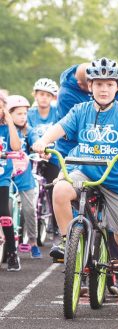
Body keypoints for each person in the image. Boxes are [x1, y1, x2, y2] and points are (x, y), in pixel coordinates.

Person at [32, 57, 118, 312]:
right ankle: (66, 240)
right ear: (90, 86)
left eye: (109, 84)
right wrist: (43, 142)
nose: (103, 89)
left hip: (116, 179)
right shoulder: (80, 110)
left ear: (117, 87)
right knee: (60, 188)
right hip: (84, 172)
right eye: (98, 84)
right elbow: (58, 129)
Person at [8, 95, 41, 258]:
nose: (23, 117)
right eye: (18, 113)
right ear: (9, 114)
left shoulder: (29, 131)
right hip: (6, 175)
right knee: (5, 208)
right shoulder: (5, 130)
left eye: (24, 114)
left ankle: (33, 242)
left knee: (29, 209)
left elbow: (36, 142)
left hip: (24, 176)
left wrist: (38, 147)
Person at [27, 78, 60, 235]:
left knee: (54, 189)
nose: (44, 98)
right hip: (34, 157)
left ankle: (56, 228)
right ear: (35, 95)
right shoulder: (29, 114)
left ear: (53, 97)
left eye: (48, 95)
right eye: (41, 94)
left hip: (52, 156)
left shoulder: (57, 113)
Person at [0, 91, 22, 271]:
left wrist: (9, 121)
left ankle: (12, 253)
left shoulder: (7, 128)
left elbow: (16, 147)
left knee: (4, 213)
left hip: (2, 178)